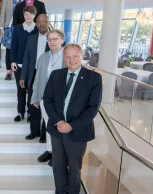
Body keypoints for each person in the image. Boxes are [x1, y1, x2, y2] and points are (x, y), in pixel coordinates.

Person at [43, 43, 102, 194]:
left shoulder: (94, 78)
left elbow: (92, 108)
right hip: (57, 129)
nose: (72, 60)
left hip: (78, 131)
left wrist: (71, 125)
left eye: (75, 56)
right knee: (58, 165)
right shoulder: (56, 75)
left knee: (74, 168)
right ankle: (60, 191)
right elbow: (47, 100)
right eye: (68, 56)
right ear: (64, 58)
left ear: (82, 56)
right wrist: (59, 121)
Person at [30, 29, 66, 167]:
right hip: (46, 98)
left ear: (62, 40)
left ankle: (59, 154)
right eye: (49, 39)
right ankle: (50, 150)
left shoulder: (67, 56)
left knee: (60, 126)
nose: (51, 42)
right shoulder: (44, 57)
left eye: (55, 39)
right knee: (49, 125)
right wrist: (36, 97)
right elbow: (38, 78)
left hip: (62, 99)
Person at [20, 14, 50, 139]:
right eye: (39, 22)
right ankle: (35, 131)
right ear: (36, 24)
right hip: (34, 74)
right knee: (33, 104)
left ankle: (44, 134)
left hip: (48, 75)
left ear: (48, 23)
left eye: (44, 22)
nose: (42, 24)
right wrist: (23, 76)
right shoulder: (31, 39)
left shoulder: (54, 38)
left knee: (47, 105)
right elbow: (26, 59)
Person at [10, 6, 39, 123]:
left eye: (30, 14)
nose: (28, 16)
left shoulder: (37, 29)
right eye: (26, 14)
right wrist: (12, 61)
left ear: (34, 15)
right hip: (19, 65)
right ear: (23, 15)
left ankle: (31, 112)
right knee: (20, 90)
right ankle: (20, 112)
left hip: (33, 66)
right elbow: (13, 46)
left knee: (31, 90)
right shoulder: (17, 28)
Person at [0, 0, 25, 79]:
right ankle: (9, 72)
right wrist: (1, 28)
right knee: (9, 51)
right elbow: (2, 14)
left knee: (20, 50)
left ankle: (18, 71)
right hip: (9, 28)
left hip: (22, 29)